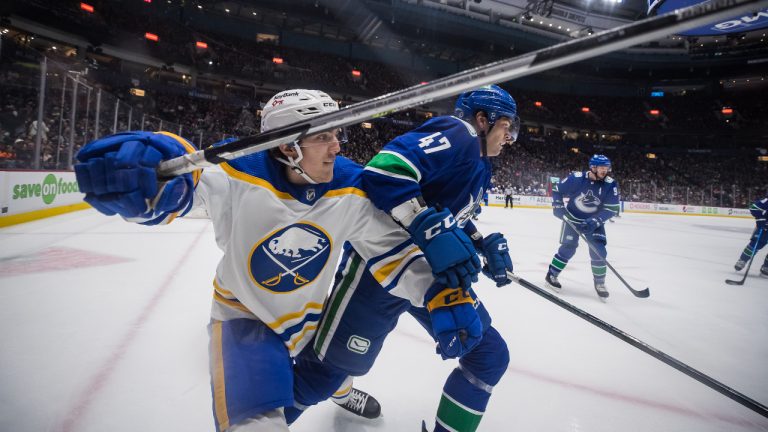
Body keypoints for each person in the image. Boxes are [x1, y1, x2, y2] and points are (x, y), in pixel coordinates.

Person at [73, 89, 482, 431]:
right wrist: (152, 181)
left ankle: (341, 390)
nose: (338, 145)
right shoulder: (235, 174)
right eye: (325, 137)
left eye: (338, 134)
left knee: (334, 368)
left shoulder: (349, 186)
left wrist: (437, 292)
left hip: (311, 319)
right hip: (247, 321)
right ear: (288, 146)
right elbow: (178, 193)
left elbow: (390, 252)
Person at [287, 84, 518, 432]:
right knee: (322, 372)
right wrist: (427, 227)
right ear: (483, 119)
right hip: (378, 268)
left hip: (431, 273)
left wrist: (480, 242)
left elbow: (448, 213)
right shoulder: (462, 134)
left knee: (488, 354)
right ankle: (280, 411)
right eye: (507, 127)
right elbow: (385, 170)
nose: (511, 137)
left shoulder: (482, 163)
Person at [544, 154, 620, 301]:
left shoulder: (610, 184)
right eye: (602, 168)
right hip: (572, 219)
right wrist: (558, 206)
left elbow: (612, 208)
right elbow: (557, 189)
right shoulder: (577, 178)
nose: (605, 171)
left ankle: (600, 283)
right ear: (593, 167)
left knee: (599, 251)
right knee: (568, 248)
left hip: (594, 222)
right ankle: (551, 274)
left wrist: (596, 221)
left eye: (607, 168)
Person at [734, 196, 768, 277]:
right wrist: (762, 221)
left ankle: (766, 267)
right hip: (764, 229)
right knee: (755, 244)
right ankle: (742, 260)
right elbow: (754, 208)